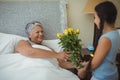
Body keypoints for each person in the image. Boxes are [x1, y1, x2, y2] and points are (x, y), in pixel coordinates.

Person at [77, 1, 120, 80]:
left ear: (102, 18)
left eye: (95, 17)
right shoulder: (116, 33)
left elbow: (94, 64)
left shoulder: (105, 39)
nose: (94, 21)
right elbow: (105, 58)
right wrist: (87, 64)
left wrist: (82, 71)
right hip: (112, 73)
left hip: (103, 76)